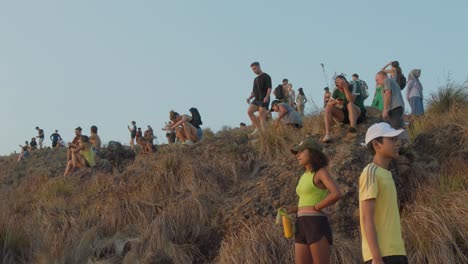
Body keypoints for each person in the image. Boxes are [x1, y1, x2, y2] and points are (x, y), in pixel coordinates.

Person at [284, 137, 342, 264]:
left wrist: (317, 207)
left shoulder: (321, 172)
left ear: (313, 152)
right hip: (301, 224)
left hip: (316, 223)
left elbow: (336, 193)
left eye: (301, 151)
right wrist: (294, 209)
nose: (298, 154)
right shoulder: (304, 175)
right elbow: (307, 199)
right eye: (297, 152)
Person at [360, 123, 407, 264]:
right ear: (376, 144)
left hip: (396, 252)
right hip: (383, 256)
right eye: (392, 139)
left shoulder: (385, 174)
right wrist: (376, 257)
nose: (397, 143)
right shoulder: (370, 172)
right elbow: (365, 217)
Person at [322, 75, 367, 143]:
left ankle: (353, 128)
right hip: (346, 115)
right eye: (339, 87)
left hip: (358, 113)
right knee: (328, 108)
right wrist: (336, 102)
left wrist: (345, 87)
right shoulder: (336, 90)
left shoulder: (354, 85)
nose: (341, 90)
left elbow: (351, 99)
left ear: (346, 82)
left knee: (350, 104)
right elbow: (328, 104)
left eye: (342, 87)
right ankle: (328, 134)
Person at [246, 62, 272, 135]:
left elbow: (269, 88)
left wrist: (267, 97)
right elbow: (254, 91)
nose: (254, 71)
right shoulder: (255, 79)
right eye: (252, 70)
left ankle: (265, 133)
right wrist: (249, 98)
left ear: (259, 67)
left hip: (264, 99)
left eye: (255, 69)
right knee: (249, 112)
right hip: (256, 99)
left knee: (261, 116)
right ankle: (258, 128)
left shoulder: (266, 76)